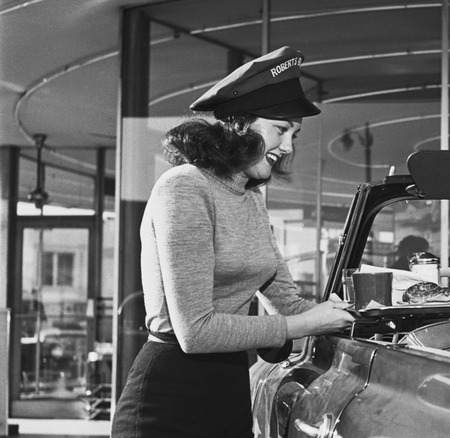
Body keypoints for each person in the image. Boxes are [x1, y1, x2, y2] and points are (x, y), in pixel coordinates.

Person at [111, 46, 355, 438]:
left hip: (228, 391)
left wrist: (356, 313)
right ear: (239, 124)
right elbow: (196, 331)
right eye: (280, 129)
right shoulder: (185, 186)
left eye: (295, 133)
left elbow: (287, 303)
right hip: (169, 397)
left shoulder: (251, 198)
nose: (289, 146)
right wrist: (305, 323)